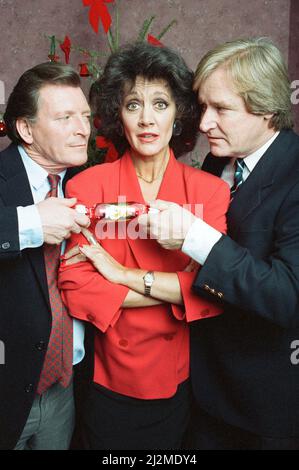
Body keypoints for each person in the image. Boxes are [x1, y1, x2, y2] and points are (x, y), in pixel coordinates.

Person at [58, 42, 230, 450]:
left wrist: (119, 276)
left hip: (179, 383)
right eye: (133, 105)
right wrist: (179, 285)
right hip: (108, 381)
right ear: (118, 113)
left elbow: (216, 290)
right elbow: (76, 287)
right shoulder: (87, 186)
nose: (147, 119)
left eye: (160, 103)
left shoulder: (210, 192)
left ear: (180, 113)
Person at [138, 37, 299, 450]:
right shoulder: (218, 159)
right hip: (206, 391)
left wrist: (194, 238)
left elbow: (287, 295)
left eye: (221, 109)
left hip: (265, 405)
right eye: (203, 106)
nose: (204, 122)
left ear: (267, 109)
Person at [0, 62, 91, 450]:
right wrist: (29, 223)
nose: (83, 128)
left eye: (85, 116)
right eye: (65, 117)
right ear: (26, 129)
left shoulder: (90, 181)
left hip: (65, 389)